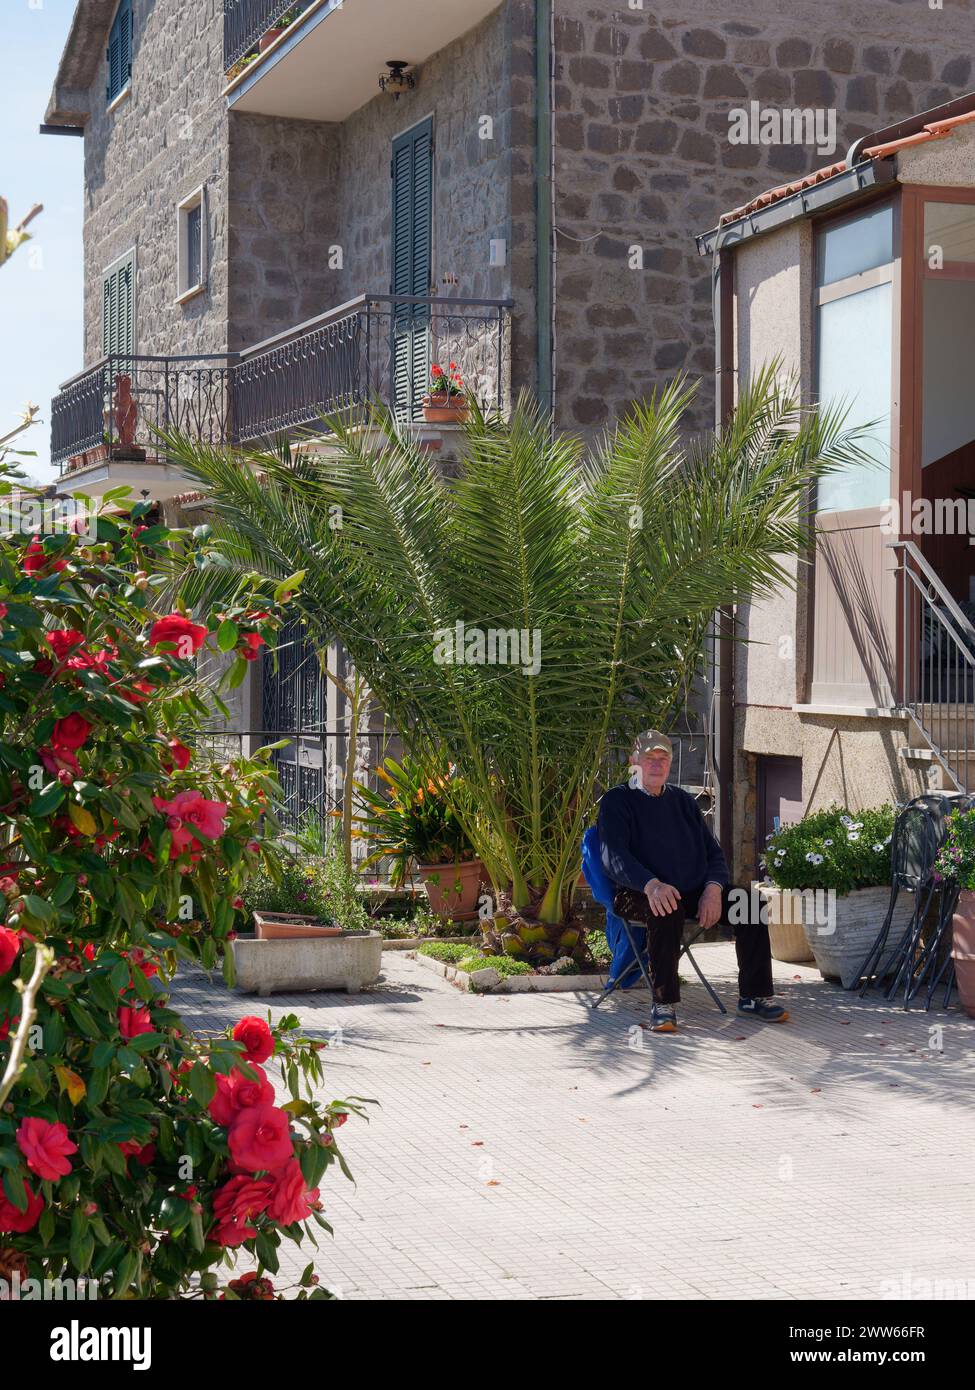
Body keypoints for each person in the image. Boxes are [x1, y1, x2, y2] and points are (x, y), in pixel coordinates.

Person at [597, 730, 789, 1034]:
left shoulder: (682, 801)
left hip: (693, 890)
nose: (657, 765)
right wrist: (652, 885)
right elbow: (614, 857)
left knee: (749, 903)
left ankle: (754, 996)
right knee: (665, 906)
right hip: (638, 891)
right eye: (650, 759)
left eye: (663, 758)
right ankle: (664, 1004)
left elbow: (714, 854)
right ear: (634, 762)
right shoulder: (617, 801)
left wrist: (713, 890)